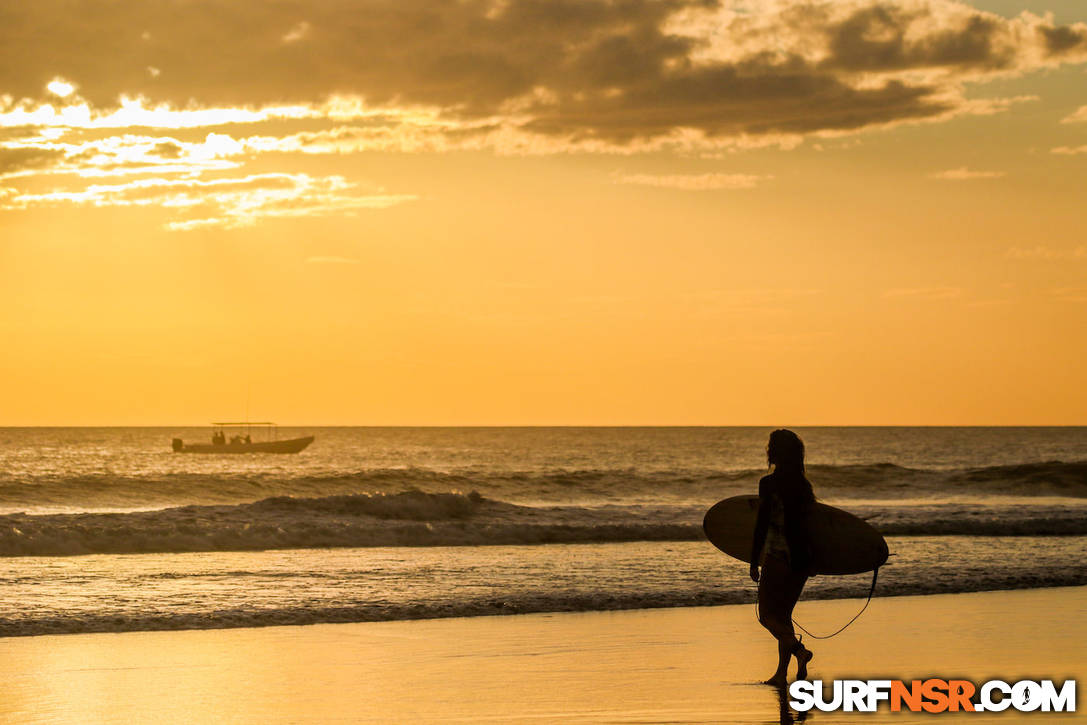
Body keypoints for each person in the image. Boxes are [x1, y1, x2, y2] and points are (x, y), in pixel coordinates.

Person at [749, 429, 815, 687]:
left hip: (777, 556)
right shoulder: (803, 486)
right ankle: (780, 674)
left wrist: (754, 560)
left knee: (767, 616)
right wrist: (815, 560)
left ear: (774, 452)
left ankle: (799, 651)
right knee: (783, 617)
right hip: (801, 559)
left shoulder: (769, 484)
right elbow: (812, 527)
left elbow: (762, 525)